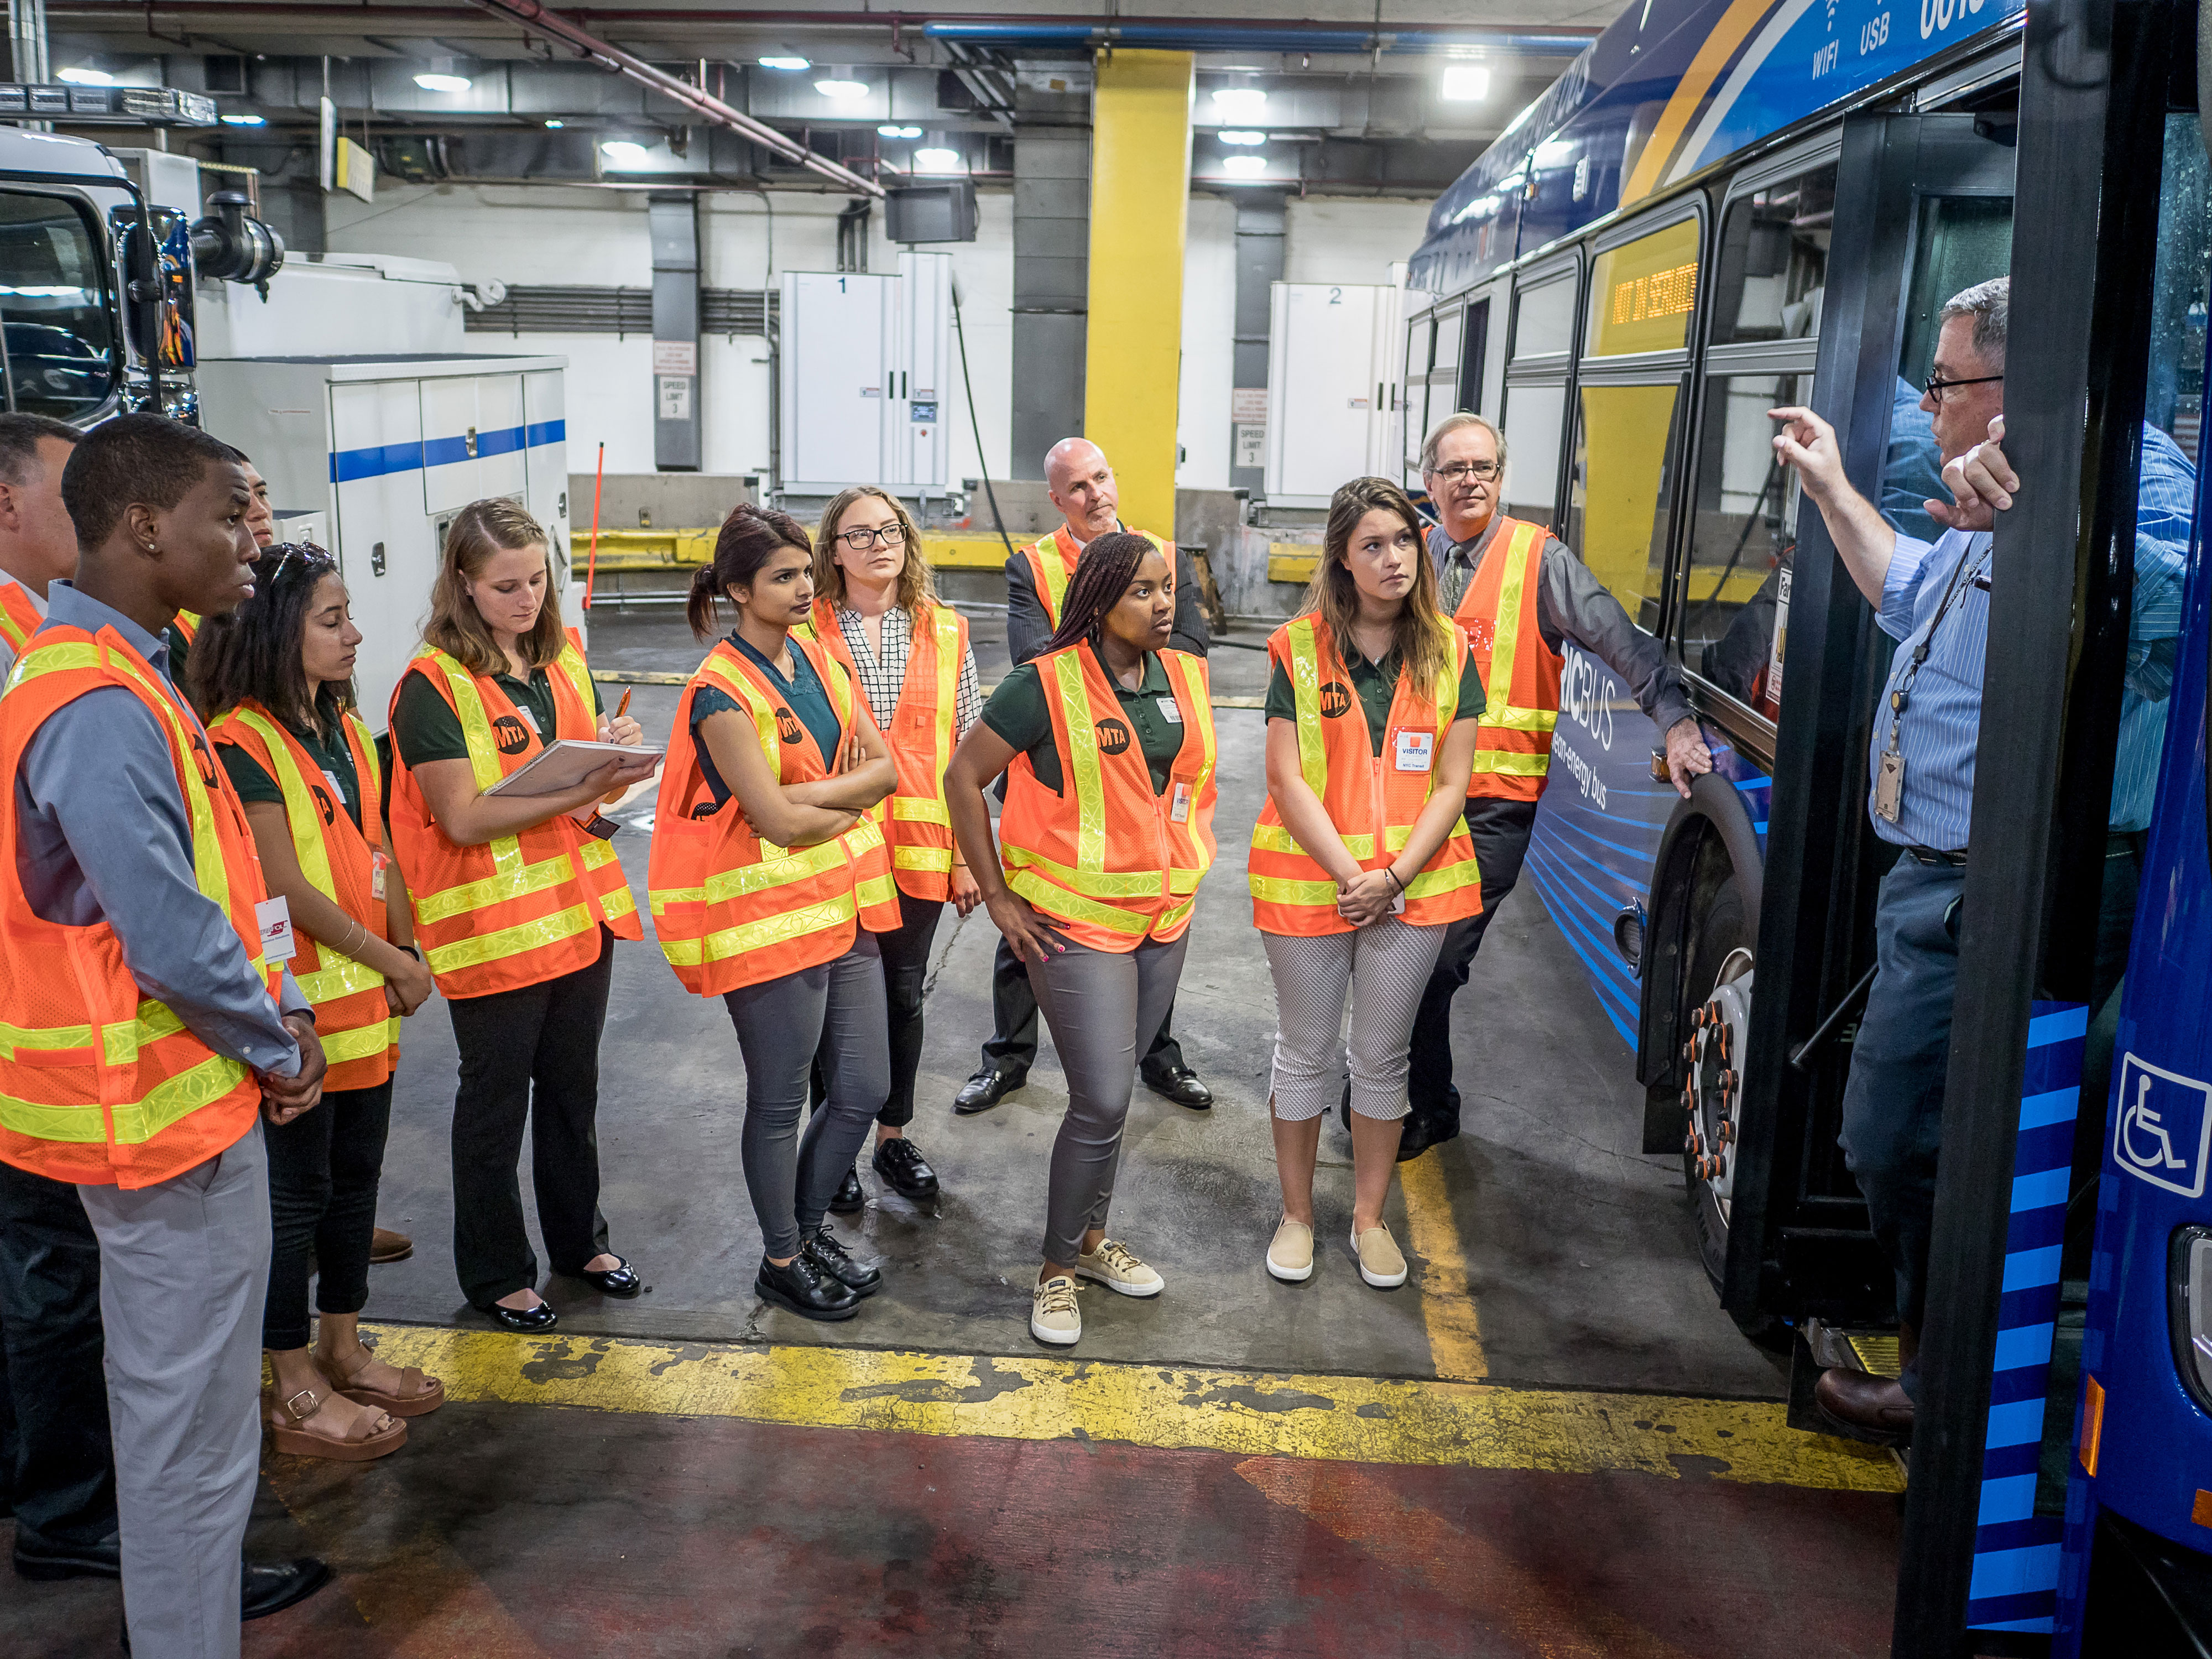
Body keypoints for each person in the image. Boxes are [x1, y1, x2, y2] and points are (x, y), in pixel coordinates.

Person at [1770, 274, 2189, 1440]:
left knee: (1902, 1136)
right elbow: (1906, 593)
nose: (1929, 406)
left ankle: (1946, 1386)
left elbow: (2169, 607)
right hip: (1930, 883)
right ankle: (1944, 1364)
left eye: (1945, 383)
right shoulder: (1978, 494)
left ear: (2017, 382)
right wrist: (1831, 485)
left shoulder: (2128, 480)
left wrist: (2049, 511)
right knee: (1911, 1132)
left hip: (2014, 884)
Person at [0, 413, 331, 1655]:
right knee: (188, 1441)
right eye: (228, 514)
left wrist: (272, 1009)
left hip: (183, 1103)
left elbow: (208, 892)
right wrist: (275, 1039)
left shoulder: (130, 670)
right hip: (160, 1124)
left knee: (181, 1425)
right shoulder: (92, 698)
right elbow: (167, 934)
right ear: (144, 526)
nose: (255, 540)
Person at [1396, 413, 1712, 1159]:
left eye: (1486, 468)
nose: (1471, 481)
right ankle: (1420, 1098)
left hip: (1495, 808)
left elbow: (1624, 643)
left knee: (1438, 960)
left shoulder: (1540, 561)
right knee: (1404, 955)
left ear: (1501, 480)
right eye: (1455, 469)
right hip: (1416, 801)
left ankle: (1414, 1101)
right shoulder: (1422, 556)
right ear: (1430, 483)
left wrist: (1674, 719)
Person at [196, 544, 444, 1460]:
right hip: (299, 1015)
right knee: (293, 1201)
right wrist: (391, 958)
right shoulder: (242, 741)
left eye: (348, 616)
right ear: (274, 631)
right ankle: (291, 1377)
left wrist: (406, 953)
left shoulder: (339, 724)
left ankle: (343, 1344)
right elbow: (281, 886)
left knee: (354, 1187)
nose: (353, 634)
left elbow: (376, 853)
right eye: (331, 619)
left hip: (367, 1010)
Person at [387, 498, 657, 1333]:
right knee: (495, 1107)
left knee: (574, 1094)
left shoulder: (562, 659)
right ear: (462, 585)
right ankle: (499, 1273)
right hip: (493, 935)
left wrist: (611, 758)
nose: (527, 597)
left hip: (578, 918)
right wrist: (581, 787)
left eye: (538, 578)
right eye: (506, 585)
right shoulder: (430, 687)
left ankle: (581, 1244)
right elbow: (462, 820)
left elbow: (577, 794)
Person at [943, 533, 1219, 1347]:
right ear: (1099, 602)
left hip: (1162, 918)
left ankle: (1094, 1243)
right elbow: (962, 777)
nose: (1164, 604)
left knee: (1116, 1097)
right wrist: (995, 895)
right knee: (1099, 1098)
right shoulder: (1045, 685)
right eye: (1143, 591)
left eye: (1168, 588)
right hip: (1074, 921)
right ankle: (1056, 1269)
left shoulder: (1187, 677)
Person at [647, 504, 901, 1321]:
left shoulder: (820, 658)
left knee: (864, 1086)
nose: (803, 588)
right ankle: (783, 1255)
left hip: (836, 905)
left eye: (804, 572)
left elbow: (886, 770)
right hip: (766, 927)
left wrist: (812, 799)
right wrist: (833, 804)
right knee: (780, 1102)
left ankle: (803, 1226)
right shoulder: (718, 693)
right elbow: (776, 823)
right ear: (737, 590)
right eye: (782, 577)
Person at [1253, 479, 1486, 1288]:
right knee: (1304, 1055)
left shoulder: (1451, 650)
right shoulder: (1296, 647)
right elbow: (1286, 780)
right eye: (1373, 546)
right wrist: (1356, 876)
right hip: (1311, 884)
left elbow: (1454, 785)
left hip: (1412, 891)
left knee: (1382, 1061)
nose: (1394, 560)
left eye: (1404, 542)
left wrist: (1392, 877)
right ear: (1343, 562)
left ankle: (1369, 1220)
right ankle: (1296, 1217)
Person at [956, 436, 1214, 1117]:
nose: (1095, 493)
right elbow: (1033, 656)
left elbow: (1188, 643)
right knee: (1031, 921)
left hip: (1150, 762)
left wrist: (1131, 668)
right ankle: (1007, 1058)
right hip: (1055, 769)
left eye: (1101, 477)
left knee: (1152, 919)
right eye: (1077, 487)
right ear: (1057, 500)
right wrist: (1101, 674)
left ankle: (1157, 1053)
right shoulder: (1032, 566)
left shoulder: (1165, 552)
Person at [799, 486, 985, 1212]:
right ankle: (834, 1140)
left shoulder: (947, 630)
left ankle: (891, 1138)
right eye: (860, 533)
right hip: (832, 844)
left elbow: (969, 748)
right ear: (832, 552)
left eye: (891, 529)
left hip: (919, 848)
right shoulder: (807, 629)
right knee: (833, 1003)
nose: (880, 542)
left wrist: (969, 856)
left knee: (902, 997)